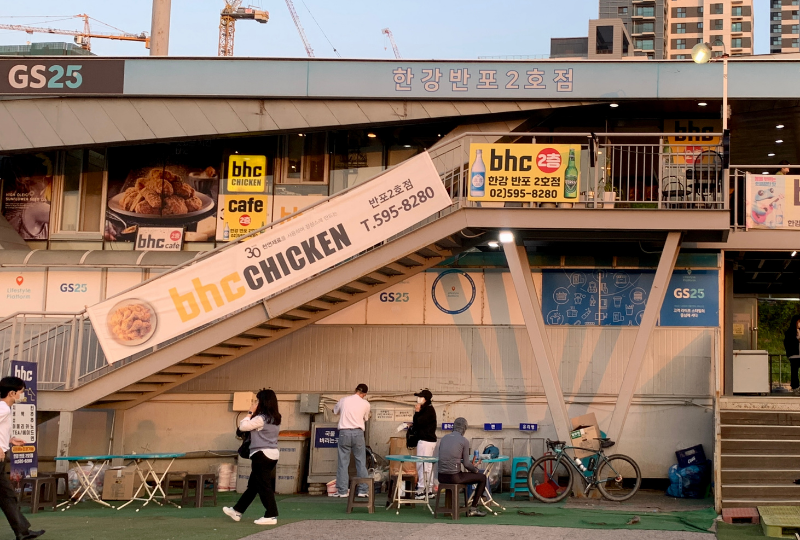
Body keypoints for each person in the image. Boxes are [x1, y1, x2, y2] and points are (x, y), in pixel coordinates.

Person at [223, 389, 281, 526]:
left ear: (263, 402)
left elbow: (243, 426)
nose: (255, 403)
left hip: (261, 454)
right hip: (272, 454)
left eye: (257, 400)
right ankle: (237, 511)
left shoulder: (260, 418)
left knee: (264, 486)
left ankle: (271, 515)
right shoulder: (276, 418)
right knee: (254, 486)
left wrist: (250, 412)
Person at [0, 377, 44, 540]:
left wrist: (10, 440)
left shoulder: (4, 408)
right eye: (21, 392)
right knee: (7, 496)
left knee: (7, 496)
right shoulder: (3, 409)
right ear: (12, 393)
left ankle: (22, 532)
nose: (22, 395)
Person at [436, 417, 486, 517]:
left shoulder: (444, 438)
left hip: (441, 476)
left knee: (463, 475)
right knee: (482, 478)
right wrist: (475, 470)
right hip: (454, 477)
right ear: (464, 428)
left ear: (454, 427)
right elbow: (466, 464)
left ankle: (449, 507)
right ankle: (473, 508)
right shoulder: (464, 441)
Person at [333, 383, 371, 498]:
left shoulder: (343, 400)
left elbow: (335, 411)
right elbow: (366, 418)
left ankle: (343, 491)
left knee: (343, 463)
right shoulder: (366, 404)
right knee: (361, 462)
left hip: (344, 433)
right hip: (358, 433)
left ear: (355, 390)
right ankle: (363, 490)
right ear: (364, 394)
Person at [411, 389, 437, 499]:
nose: (418, 399)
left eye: (420, 397)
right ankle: (429, 489)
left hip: (425, 441)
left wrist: (417, 412)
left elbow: (418, 423)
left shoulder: (428, 410)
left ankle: (421, 489)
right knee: (427, 465)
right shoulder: (428, 409)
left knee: (422, 465)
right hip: (428, 441)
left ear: (425, 399)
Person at [784, 315, 800, 395]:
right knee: (794, 372)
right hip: (794, 355)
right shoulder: (790, 332)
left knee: (795, 371)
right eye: (799, 322)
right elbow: (787, 343)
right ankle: (795, 387)